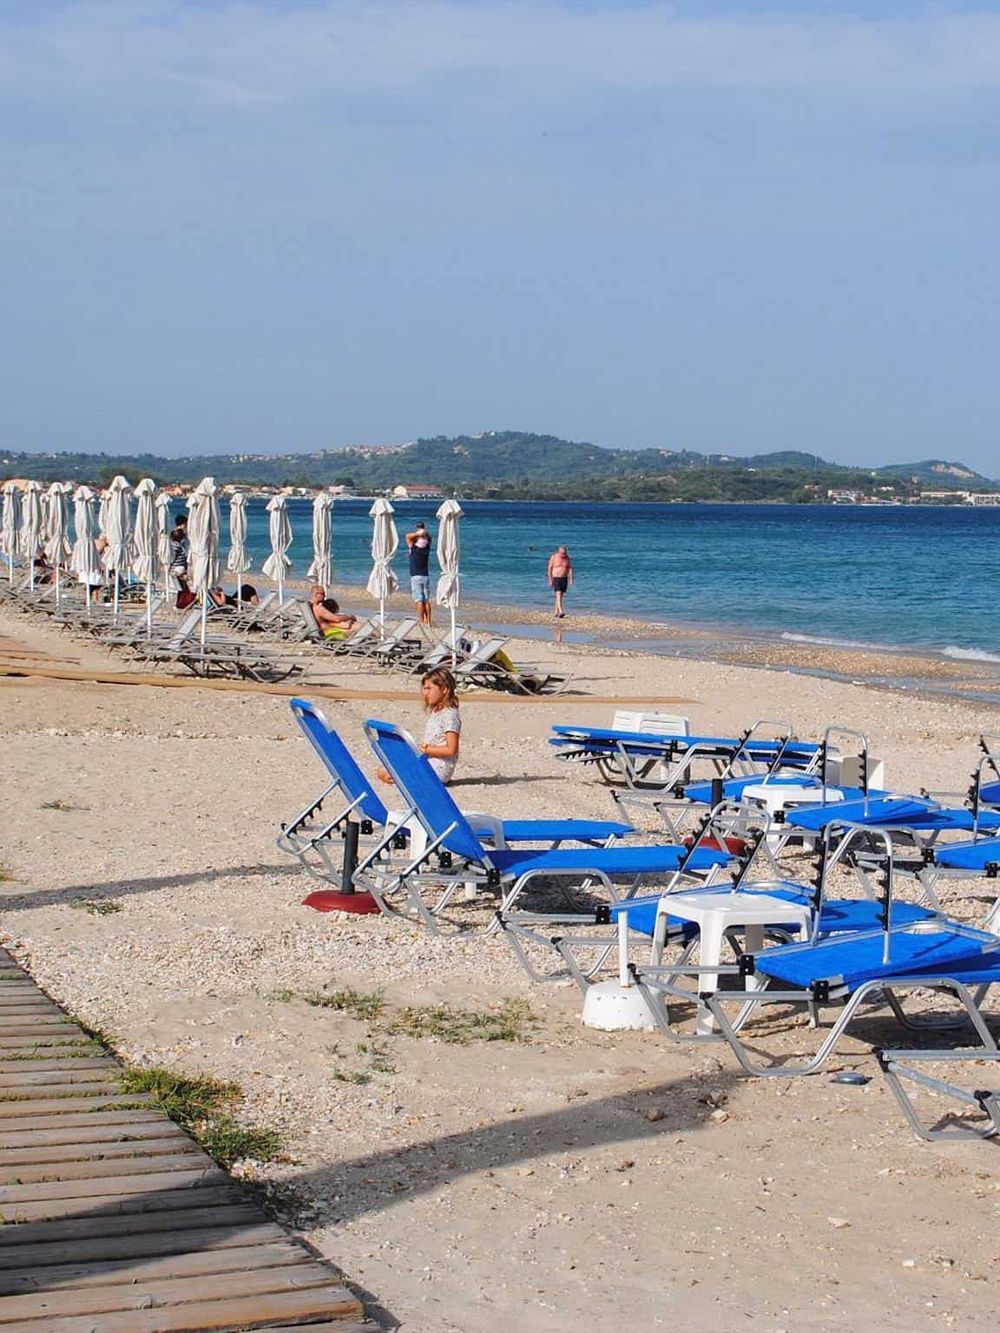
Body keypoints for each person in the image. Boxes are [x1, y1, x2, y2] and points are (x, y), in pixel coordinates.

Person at [377, 667, 461, 786]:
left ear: (444, 690)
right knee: (383, 770)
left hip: (440, 767)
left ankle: (411, 779)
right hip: (430, 759)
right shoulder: (437, 711)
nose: (425, 693)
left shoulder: (450, 715)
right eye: (424, 689)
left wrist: (426, 750)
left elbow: (451, 750)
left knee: (386, 772)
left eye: (429, 688)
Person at [406, 520, 433, 628]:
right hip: (425, 575)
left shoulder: (413, 546)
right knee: (426, 600)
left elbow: (407, 536)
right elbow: (427, 537)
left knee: (419, 600)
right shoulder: (427, 544)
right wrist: (423, 533)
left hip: (416, 575)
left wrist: (418, 533)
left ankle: (422, 621)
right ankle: (429, 621)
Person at [547, 545, 573, 618]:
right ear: (559, 552)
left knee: (560, 596)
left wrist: (571, 578)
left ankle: (556, 611)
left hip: (564, 578)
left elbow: (570, 568)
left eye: (565, 553)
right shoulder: (554, 557)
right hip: (556, 578)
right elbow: (549, 569)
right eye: (563, 553)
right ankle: (561, 611)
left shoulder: (567, 558)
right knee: (558, 594)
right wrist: (550, 579)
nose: (564, 555)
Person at [169, 514, 190, 596]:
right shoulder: (180, 534)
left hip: (176, 566)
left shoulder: (173, 534)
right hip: (179, 567)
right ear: (183, 523)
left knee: (182, 587)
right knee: (185, 586)